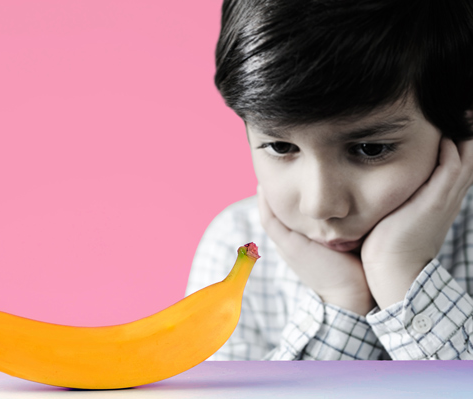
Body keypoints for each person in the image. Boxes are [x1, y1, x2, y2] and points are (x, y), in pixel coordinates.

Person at [185, 0, 473, 360]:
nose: (320, 205)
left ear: (463, 127)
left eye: (369, 149)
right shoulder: (234, 246)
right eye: (280, 146)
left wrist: (401, 269)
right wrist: (340, 302)